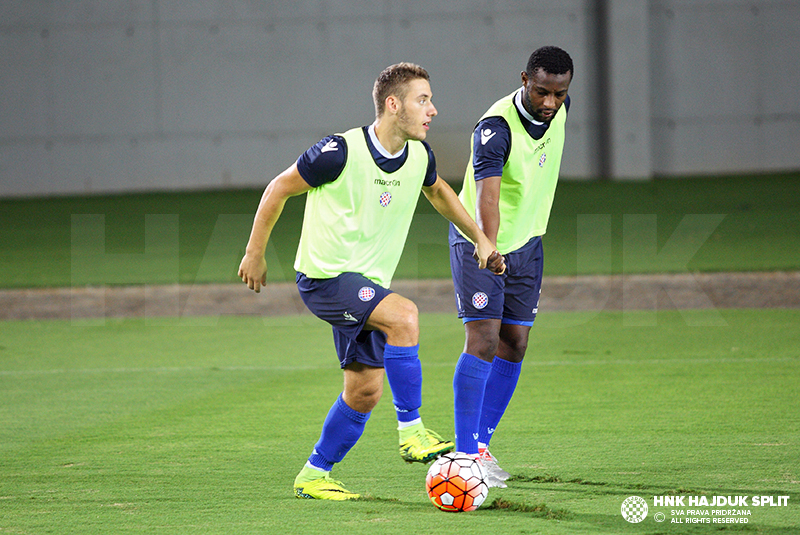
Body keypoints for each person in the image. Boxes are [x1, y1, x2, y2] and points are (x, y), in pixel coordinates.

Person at [238, 62, 505, 500]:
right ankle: (412, 430)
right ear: (392, 104)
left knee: (363, 392)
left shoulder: (420, 156)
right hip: (325, 278)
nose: (433, 110)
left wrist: (479, 238)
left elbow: (439, 192)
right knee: (404, 316)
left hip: (364, 285)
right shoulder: (338, 151)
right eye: (423, 100)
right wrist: (255, 252)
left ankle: (313, 474)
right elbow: (278, 188)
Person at [448, 46, 574, 487]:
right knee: (483, 339)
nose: (550, 103)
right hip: (482, 243)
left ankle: (481, 446)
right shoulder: (496, 129)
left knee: (515, 343)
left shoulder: (559, 107)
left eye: (559, 94)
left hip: (527, 244)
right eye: (542, 92)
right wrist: (487, 244)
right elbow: (488, 195)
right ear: (524, 79)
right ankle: (464, 457)